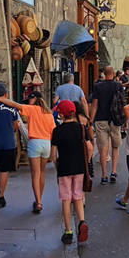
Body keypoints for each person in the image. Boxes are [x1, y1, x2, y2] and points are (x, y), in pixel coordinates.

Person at [0, 92, 56, 213]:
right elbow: (53, 132)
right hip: (46, 144)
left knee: (35, 174)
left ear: (35, 99)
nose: (29, 101)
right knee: (42, 173)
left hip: (35, 143)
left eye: (30, 99)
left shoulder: (32, 109)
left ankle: (38, 202)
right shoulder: (49, 114)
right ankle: (39, 199)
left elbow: (15, 104)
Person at [50, 100, 91, 245]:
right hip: (79, 167)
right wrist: (87, 160)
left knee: (66, 199)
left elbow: (53, 155)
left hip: (64, 168)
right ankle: (82, 222)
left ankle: (68, 231)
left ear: (61, 114)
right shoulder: (81, 128)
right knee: (78, 196)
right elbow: (90, 147)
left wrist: (57, 166)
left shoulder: (57, 131)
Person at [88, 66, 125, 185]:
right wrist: (125, 121)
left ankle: (104, 175)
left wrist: (90, 120)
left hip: (101, 120)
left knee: (103, 149)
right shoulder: (118, 86)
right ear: (113, 74)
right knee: (115, 147)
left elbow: (94, 105)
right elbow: (122, 104)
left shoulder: (98, 86)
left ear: (104, 73)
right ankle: (113, 172)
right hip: (115, 120)